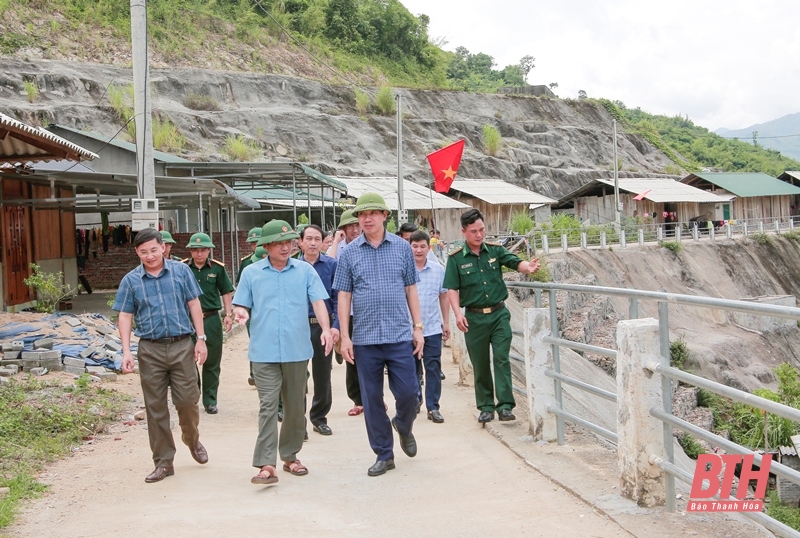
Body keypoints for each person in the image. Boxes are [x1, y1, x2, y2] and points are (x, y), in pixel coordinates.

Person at [232, 220, 333, 486]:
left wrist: (326, 328)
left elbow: (319, 302)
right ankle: (266, 464)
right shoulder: (252, 273)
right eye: (279, 242)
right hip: (263, 351)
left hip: (297, 350)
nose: (285, 247)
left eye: (288, 242)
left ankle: (290, 456)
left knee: (294, 405)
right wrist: (239, 312)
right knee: (268, 406)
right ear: (266, 246)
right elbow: (240, 304)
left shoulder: (305, 271)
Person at [333, 192, 425, 477]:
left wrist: (418, 328)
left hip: (399, 335)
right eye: (361, 214)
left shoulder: (401, 248)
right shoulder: (348, 253)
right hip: (364, 339)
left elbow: (411, 289)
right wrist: (345, 337)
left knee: (410, 394)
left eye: (372, 213)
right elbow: (344, 296)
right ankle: (384, 454)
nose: (366, 218)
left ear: (385, 215)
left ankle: (403, 425)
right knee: (371, 400)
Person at [112, 228, 209, 483]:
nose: (150, 256)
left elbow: (194, 304)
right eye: (144, 252)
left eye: (154, 250)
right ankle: (164, 462)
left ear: (163, 247)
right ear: (137, 253)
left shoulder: (181, 271)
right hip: (150, 349)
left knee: (188, 400)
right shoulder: (131, 281)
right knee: (155, 408)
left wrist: (200, 339)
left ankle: (192, 439)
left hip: (181, 346)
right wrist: (126, 351)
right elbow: (124, 315)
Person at [443, 208, 540, 424]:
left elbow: (515, 262)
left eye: (482, 230)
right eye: (474, 231)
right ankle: (486, 406)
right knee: (480, 363)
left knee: (501, 357)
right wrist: (457, 314)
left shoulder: (495, 251)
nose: (479, 235)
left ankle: (505, 406)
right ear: (464, 232)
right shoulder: (456, 259)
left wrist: (529, 267)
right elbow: (451, 289)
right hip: (474, 318)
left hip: (498, 315)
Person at [185, 232, 235, 415]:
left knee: (212, 361)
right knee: (187, 361)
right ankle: (193, 397)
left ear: (209, 251)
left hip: (211, 318)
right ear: (190, 251)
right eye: (196, 250)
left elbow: (226, 292)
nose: (199, 254)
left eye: (203, 250)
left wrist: (228, 314)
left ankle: (210, 400)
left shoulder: (218, 269)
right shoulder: (183, 268)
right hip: (187, 320)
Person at [298, 224, 339, 436]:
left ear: (323, 242)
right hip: (298, 328)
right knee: (297, 376)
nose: (313, 243)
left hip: (323, 327)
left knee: (322, 375)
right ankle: (299, 423)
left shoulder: (331, 265)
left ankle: (319, 418)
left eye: (317, 239)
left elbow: (338, 298)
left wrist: (335, 326)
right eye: (309, 238)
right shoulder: (292, 266)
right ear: (300, 242)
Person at [408, 230, 450, 423]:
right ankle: (415, 400)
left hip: (432, 328)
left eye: (422, 246)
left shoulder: (438, 270)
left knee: (433, 367)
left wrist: (446, 322)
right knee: (412, 368)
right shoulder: (403, 270)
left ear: (429, 247)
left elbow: (443, 296)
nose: (418, 250)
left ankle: (433, 407)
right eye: (414, 246)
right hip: (407, 330)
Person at [329, 209, 364, 416]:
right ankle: (358, 399)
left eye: (356, 225)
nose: (355, 229)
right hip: (346, 313)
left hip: (366, 311)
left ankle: (374, 397)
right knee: (351, 356)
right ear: (343, 229)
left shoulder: (367, 246)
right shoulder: (340, 249)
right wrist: (335, 241)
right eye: (350, 226)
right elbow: (329, 262)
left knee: (371, 356)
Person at [238, 226, 263, 387]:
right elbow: (241, 286)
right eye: (252, 243)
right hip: (253, 311)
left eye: (257, 242)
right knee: (255, 340)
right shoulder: (246, 262)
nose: (255, 246)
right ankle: (254, 373)